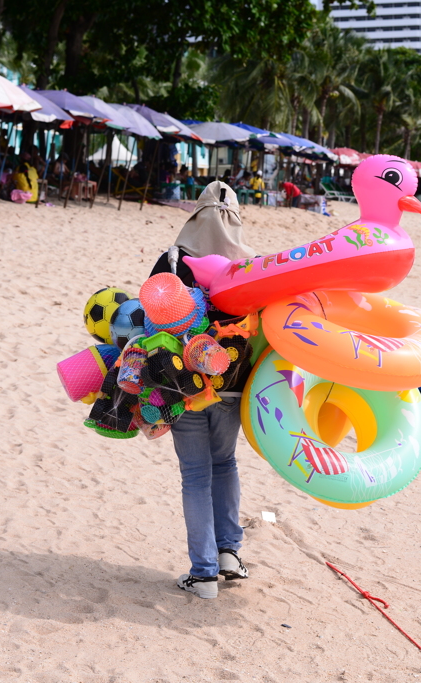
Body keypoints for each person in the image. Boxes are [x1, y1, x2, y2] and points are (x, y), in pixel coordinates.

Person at [149, 181, 253, 599]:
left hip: (183, 382)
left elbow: (148, 316)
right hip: (233, 385)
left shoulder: (174, 259)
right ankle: (229, 554)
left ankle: (204, 573)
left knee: (195, 474)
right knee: (225, 463)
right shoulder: (253, 265)